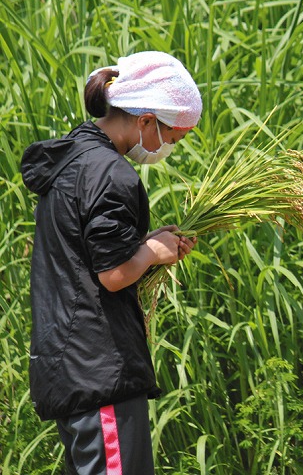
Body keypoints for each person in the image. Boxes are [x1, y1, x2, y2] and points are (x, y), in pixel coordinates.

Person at [21, 51, 202, 474]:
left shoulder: (75, 159)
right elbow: (114, 274)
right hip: (99, 374)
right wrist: (152, 253)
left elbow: (89, 255)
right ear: (145, 121)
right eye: (171, 139)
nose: (166, 149)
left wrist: (144, 244)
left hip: (69, 366)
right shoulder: (112, 174)